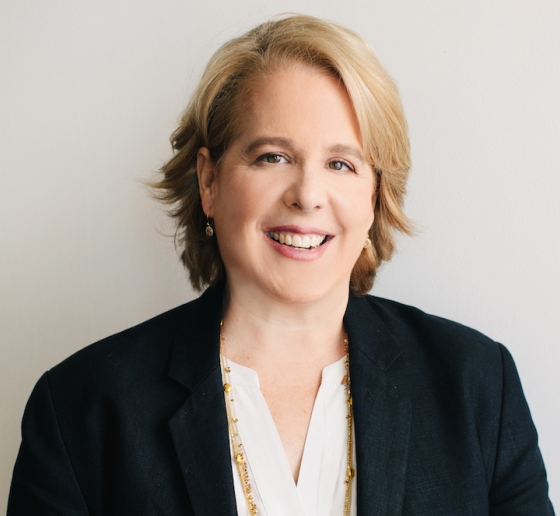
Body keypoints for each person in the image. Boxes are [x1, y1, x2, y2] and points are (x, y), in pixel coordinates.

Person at [8, 14, 554, 516]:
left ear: (374, 197)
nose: (308, 195)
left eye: (341, 164)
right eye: (273, 157)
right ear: (209, 181)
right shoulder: (82, 407)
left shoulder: (478, 384)